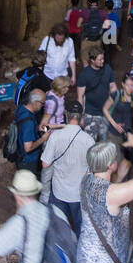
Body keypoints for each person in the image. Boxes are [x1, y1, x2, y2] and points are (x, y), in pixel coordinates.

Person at [40, 100, 93, 234]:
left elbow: (45, 164)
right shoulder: (89, 140)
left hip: (59, 192)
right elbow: (93, 169)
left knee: (58, 230)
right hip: (79, 194)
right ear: (81, 116)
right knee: (80, 230)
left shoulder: (55, 137)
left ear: (66, 115)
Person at [38, 77, 70, 202]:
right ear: (60, 88)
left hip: (59, 135)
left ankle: (57, 193)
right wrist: (63, 126)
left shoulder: (60, 97)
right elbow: (43, 126)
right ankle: (44, 198)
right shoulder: (51, 102)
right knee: (48, 169)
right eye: (66, 87)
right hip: (51, 138)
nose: (68, 89)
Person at [103, 73, 133, 181]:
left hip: (127, 135)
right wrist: (114, 124)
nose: (130, 88)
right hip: (113, 134)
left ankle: (122, 186)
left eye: (132, 85)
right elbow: (105, 109)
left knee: (126, 162)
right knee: (114, 163)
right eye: (128, 85)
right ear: (123, 84)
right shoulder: (116, 95)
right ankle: (113, 186)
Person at [76, 47, 116, 141]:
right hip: (90, 114)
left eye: (103, 59)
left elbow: (113, 87)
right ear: (92, 60)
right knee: (89, 143)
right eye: (100, 59)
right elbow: (80, 97)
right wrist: (81, 117)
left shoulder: (107, 69)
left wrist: (114, 104)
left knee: (105, 144)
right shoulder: (84, 74)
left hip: (106, 113)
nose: (102, 61)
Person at [16, 87, 56, 171]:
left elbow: (22, 129)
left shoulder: (21, 108)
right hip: (27, 161)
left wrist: (36, 128)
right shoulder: (29, 123)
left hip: (19, 152)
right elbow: (28, 148)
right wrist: (43, 138)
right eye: (42, 103)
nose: (43, 106)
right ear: (35, 102)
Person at [39, 22, 77, 87]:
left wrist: (73, 75)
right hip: (47, 75)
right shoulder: (47, 40)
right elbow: (39, 56)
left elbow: (71, 59)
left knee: (60, 96)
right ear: (54, 35)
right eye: (57, 38)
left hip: (62, 77)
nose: (59, 40)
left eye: (61, 39)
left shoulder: (69, 42)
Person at [80, 0, 108, 65]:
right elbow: (108, 25)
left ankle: (87, 74)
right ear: (97, 2)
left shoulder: (84, 12)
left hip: (86, 39)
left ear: (89, 2)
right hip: (97, 39)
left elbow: (78, 24)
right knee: (96, 61)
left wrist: (85, 26)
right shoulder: (103, 12)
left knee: (85, 60)